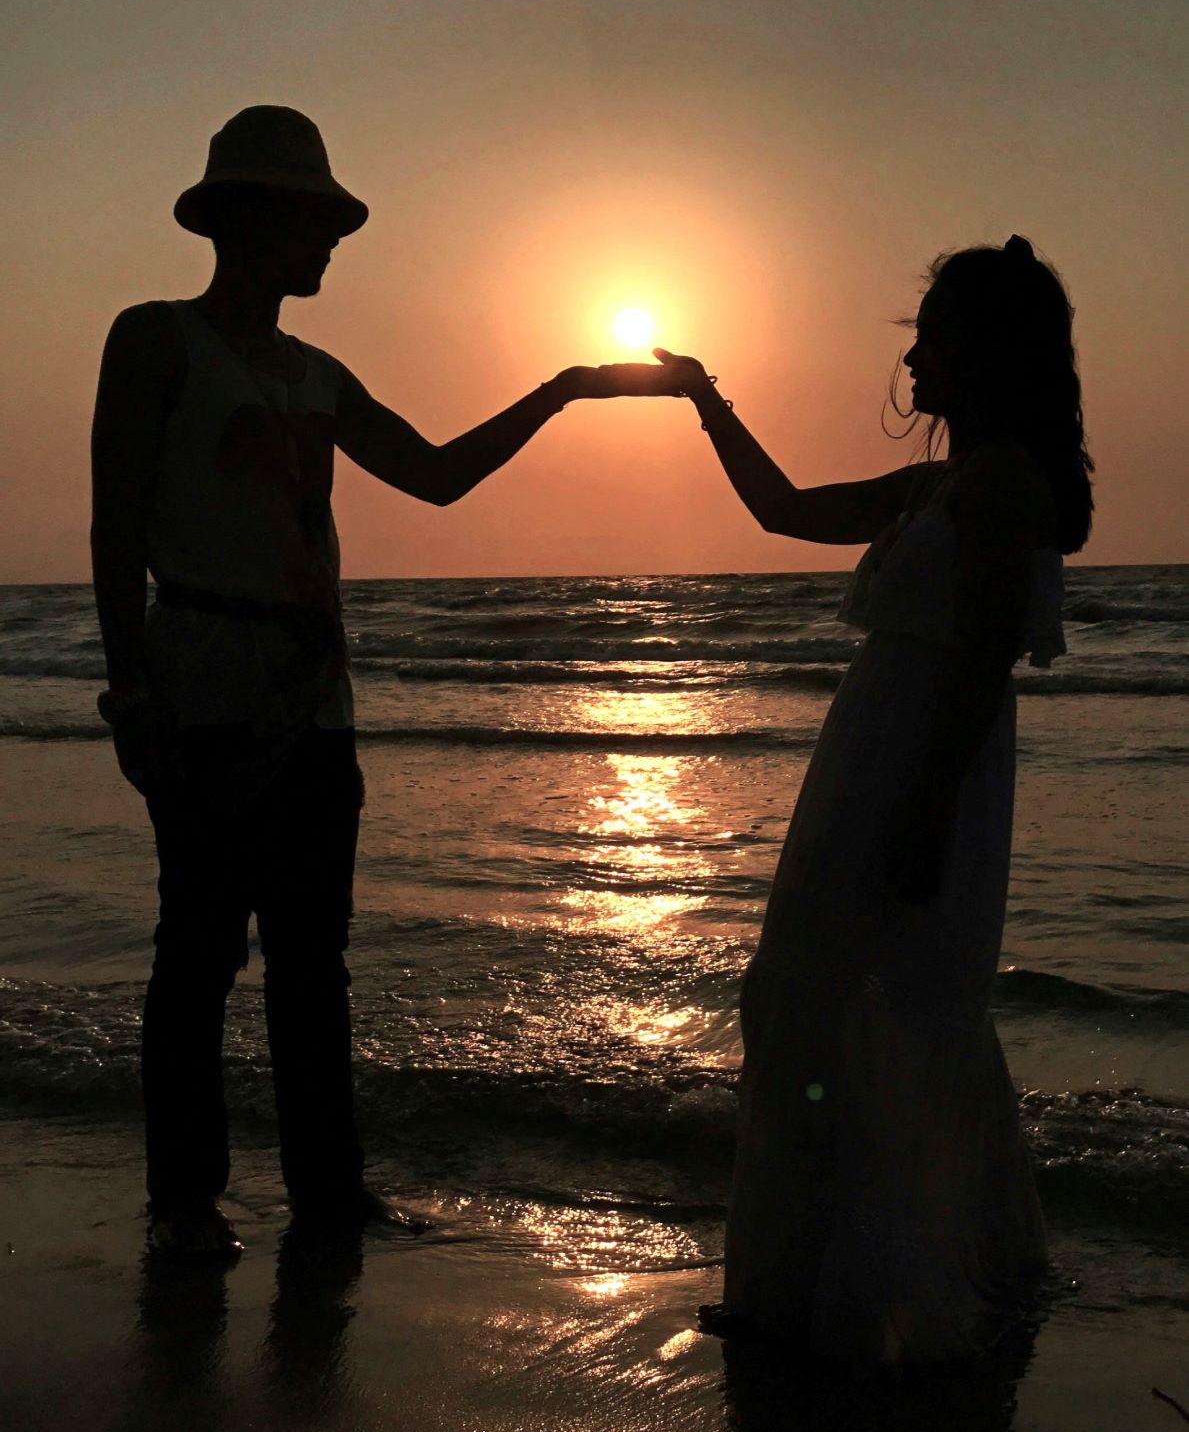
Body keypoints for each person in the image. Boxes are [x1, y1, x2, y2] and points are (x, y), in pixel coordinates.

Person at [91, 104, 642, 1260]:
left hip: (314, 702)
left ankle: (326, 1195)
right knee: (197, 952)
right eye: (313, 221)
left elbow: (436, 477)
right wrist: (129, 692)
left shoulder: (319, 374)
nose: (330, 243)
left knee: (311, 960)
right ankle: (184, 1206)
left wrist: (562, 388)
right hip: (198, 682)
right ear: (253, 220)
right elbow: (114, 523)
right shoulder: (154, 339)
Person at [635, 238, 1092, 1363]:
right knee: (810, 994)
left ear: (984, 353)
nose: (915, 360)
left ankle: (875, 1292)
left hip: (916, 768)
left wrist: (928, 805)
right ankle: (810, 1280)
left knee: (883, 1009)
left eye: (933, 337)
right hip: (868, 759)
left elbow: (983, 655)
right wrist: (704, 398)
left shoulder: (999, 484)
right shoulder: (939, 482)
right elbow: (782, 509)